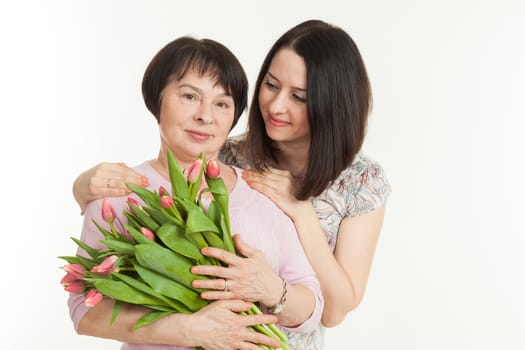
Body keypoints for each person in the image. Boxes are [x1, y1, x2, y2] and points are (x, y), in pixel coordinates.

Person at [72, 19, 391, 349]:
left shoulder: (359, 180)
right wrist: (82, 188)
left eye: (299, 96)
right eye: (270, 85)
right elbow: (87, 302)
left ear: (331, 104)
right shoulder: (223, 154)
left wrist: (300, 215)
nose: (277, 106)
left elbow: (330, 310)